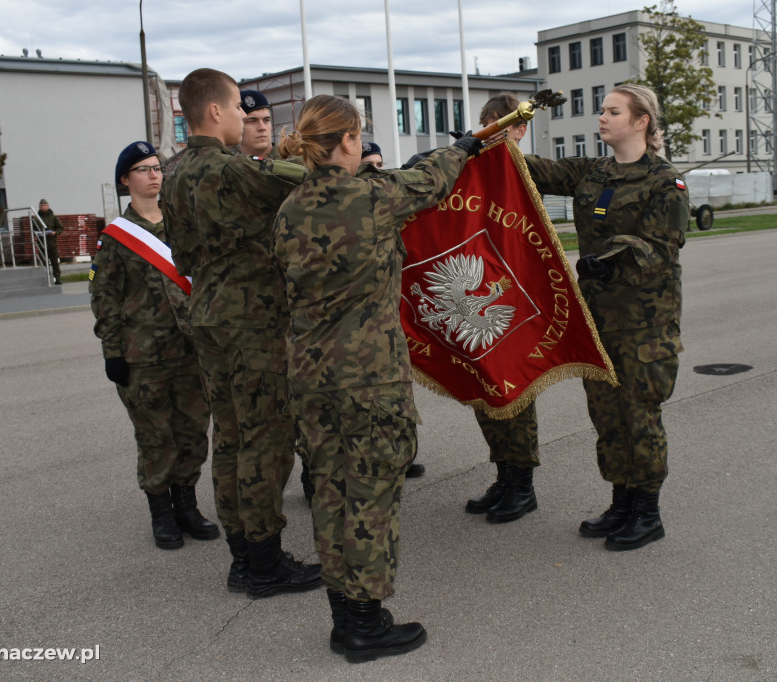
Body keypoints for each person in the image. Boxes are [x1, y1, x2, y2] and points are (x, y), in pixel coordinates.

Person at [273, 94, 481, 662]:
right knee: (370, 495)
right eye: (357, 136)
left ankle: (346, 616)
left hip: (310, 377)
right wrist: (462, 147)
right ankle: (366, 625)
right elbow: (430, 179)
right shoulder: (372, 198)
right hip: (368, 378)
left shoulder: (289, 208)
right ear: (346, 142)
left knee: (331, 493)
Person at [161, 68, 321, 599]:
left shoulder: (176, 173)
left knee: (228, 437)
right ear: (214, 112)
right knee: (266, 439)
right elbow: (309, 185)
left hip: (206, 313)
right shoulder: (228, 170)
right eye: (236, 109)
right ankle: (266, 560)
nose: (240, 117)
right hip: (251, 320)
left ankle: (243, 556)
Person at [526, 84, 687, 551]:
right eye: (602, 110)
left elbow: (662, 247)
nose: (602, 118)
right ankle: (621, 501)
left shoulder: (664, 181)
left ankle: (647, 511)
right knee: (607, 415)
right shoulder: (592, 171)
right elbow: (539, 171)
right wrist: (486, 147)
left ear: (641, 122)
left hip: (644, 322)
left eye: (613, 111)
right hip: (597, 317)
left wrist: (613, 258)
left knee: (639, 414)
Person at [89, 140, 219, 551]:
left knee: (193, 432)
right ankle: (161, 514)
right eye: (142, 169)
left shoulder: (182, 225)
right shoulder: (115, 238)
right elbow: (104, 300)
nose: (153, 174)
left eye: (157, 167)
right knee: (156, 437)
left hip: (190, 352)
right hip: (143, 358)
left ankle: (187, 505)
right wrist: (113, 352)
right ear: (125, 180)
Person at [463, 93, 540, 524]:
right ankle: (503, 474)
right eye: (489, 129)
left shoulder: (527, 173)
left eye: (503, 129)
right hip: (481, 293)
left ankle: (523, 485)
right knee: (484, 390)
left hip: (515, 298)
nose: (495, 138)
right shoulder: (471, 170)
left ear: (520, 130)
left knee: (516, 391)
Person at [235, 89, 275, 158]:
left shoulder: (295, 163)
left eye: (266, 120)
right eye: (252, 121)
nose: (262, 127)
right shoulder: (229, 167)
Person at [37, 199, 64, 284]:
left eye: (45, 205)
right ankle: (47, 278)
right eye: (41, 205)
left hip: (52, 243)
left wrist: (55, 232)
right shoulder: (36, 218)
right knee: (44, 262)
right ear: (39, 206)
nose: (43, 207)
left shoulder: (53, 217)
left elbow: (60, 228)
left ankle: (57, 278)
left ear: (48, 206)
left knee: (54, 262)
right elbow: (32, 229)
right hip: (42, 243)